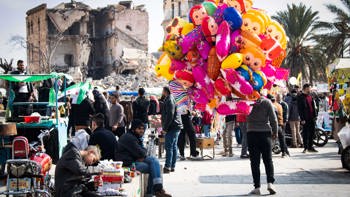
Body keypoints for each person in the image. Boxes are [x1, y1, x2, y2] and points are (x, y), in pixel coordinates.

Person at [116, 119, 171, 197]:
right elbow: (142, 152)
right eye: (139, 129)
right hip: (128, 165)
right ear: (134, 129)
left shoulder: (134, 136)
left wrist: (141, 155)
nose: (142, 131)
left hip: (134, 160)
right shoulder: (129, 138)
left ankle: (155, 191)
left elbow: (143, 152)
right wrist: (140, 156)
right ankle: (154, 191)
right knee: (153, 166)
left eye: (142, 129)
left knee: (153, 162)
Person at [247, 96, 278, 195]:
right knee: (268, 160)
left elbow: (243, 117)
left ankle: (257, 187)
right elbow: (274, 119)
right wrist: (275, 132)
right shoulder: (267, 102)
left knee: (254, 162)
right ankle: (270, 183)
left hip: (251, 133)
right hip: (265, 133)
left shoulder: (247, 102)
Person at [161, 87, 183, 173]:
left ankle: (167, 166)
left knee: (169, 147)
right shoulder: (171, 98)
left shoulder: (169, 100)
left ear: (165, 91)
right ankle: (172, 166)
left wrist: (165, 128)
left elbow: (170, 115)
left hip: (172, 126)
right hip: (175, 126)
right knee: (173, 147)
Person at [297, 84, 318, 153]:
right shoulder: (300, 97)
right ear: (305, 88)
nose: (310, 90)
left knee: (312, 133)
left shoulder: (310, 96)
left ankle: (310, 147)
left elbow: (313, 107)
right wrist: (302, 119)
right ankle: (305, 147)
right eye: (309, 88)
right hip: (305, 118)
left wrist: (315, 116)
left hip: (312, 117)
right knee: (305, 133)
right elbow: (299, 109)